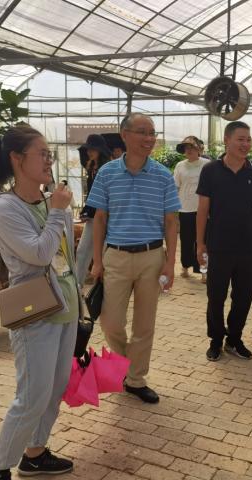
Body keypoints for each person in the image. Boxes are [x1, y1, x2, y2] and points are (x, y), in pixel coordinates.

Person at [0, 126, 77, 480]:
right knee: (31, 396)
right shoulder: (5, 208)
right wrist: (57, 211)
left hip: (65, 304)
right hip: (33, 311)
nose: (49, 160)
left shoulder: (49, 199)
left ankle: (35, 454)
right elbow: (38, 254)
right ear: (17, 159)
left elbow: (64, 254)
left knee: (54, 389)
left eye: (49, 153)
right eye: (42, 153)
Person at [88, 113, 181, 404]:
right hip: (115, 256)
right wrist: (97, 261)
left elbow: (171, 222)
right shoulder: (107, 173)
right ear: (125, 135)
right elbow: (99, 219)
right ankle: (124, 365)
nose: (149, 138)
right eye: (142, 132)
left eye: (152, 133)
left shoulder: (163, 175)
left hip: (151, 256)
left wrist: (170, 263)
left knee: (144, 324)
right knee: (110, 322)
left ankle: (135, 379)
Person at [196, 121, 252, 362]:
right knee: (216, 296)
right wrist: (200, 243)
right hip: (218, 245)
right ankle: (215, 340)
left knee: (243, 297)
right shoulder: (210, 170)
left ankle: (234, 339)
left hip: (247, 246)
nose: (246, 144)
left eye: (248, 139)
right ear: (227, 140)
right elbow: (202, 209)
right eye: (240, 139)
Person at [74, 134, 111, 286]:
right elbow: (92, 194)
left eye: (93, 149)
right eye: (88, 149)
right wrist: (87, 211)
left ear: (100, 150)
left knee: (103, 254)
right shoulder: (92, 168)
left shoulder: (107, 169)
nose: (89, 152)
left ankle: (103, 288)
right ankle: (77, 287)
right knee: (83, 251)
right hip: (93, 216)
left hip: (106, 216)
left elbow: (105, 195)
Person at [174, 136, 210, 281]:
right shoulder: (180, 166)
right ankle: (185, 266)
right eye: (186, 148)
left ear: (199, 149)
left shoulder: (207, 165)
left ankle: (204, 270)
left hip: (203, 210)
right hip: (185, 209)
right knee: (186, 240)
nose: (188, 150)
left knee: (203, 241)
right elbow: (176, 186)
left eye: (191, 147)